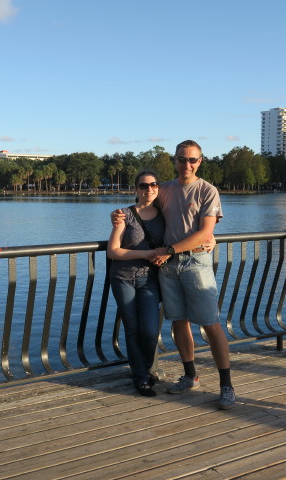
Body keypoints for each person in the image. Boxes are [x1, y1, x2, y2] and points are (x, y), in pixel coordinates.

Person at [112, 140, 235, 409]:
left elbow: (204, 232)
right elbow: (139, 206)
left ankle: (226, 384)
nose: (187, 165)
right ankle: (191, 375)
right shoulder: (164, 188)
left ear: (200, 161)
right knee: (178, 321)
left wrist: (177, 247)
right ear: (175, 160)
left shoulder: (207, 191)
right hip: (167, 267)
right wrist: (117, 215)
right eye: (182, 159)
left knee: (210, 323)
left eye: (192, 160)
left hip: (195, 263)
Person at [107, 170, 168, 396]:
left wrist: (209, 238)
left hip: (149, 279)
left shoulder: (165, 214)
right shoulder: (125, 215)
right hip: (123, 278)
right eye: (143, 186)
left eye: (153, 185)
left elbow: (186, 228)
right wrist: (149, 252)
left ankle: (146, 368)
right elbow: (113, 251)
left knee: (151, 330)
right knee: (133, 329)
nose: (149, 189)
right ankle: (141, 377)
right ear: (136, 189)